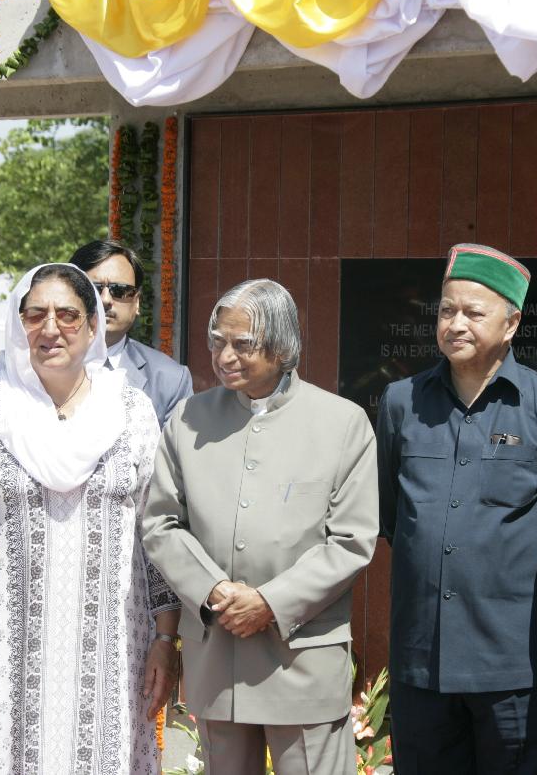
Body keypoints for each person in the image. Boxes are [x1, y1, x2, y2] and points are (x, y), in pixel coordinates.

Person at [0, 263, 180, 774]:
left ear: (93, 326)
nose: (50, 328)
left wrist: (165, 640)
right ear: (19, 324)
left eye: (67, 315)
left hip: (113, 646)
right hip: (3, 647)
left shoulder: (132, 412)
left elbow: (156, 536)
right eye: (35, 315)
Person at [142, 278, 378, 775]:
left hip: (301, 659)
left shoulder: (343, 422)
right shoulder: (188, 418)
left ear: (282, 346)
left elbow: (351, 541)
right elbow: (161, 523)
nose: (225, 356)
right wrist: (212, 590)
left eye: (242, 344)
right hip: (218, 655)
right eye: (217, 341)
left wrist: (271, 602)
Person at [376, 243, 537, 774]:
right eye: (447, 310)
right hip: (422, 657)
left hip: (515, 661)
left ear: (511, 324)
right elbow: (392, 516)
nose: (456, 324)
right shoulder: (401, 402)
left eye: (474, 312)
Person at [70, 239, 193, 423]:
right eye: (93, 289)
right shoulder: (37, 365)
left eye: (120, 290)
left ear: (137, 303)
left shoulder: (171, 380)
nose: (105, 300)